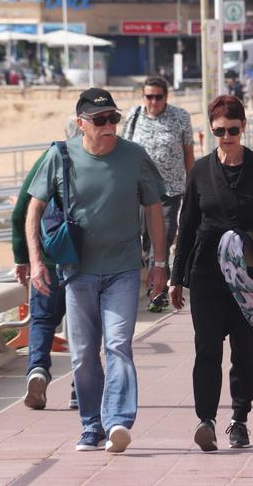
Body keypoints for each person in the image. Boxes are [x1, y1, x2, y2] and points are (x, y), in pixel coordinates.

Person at [26, 88, 167, 453]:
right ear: (81, 124)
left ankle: (117, 420)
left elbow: (153, 208)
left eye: (113, 119)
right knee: (83, 353)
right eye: (100, 120)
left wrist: (159, 264)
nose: (109, 126)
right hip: (77, 272)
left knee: (118, 345)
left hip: (122, 269)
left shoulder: (134, 156)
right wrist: (37, 262)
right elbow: (33, 209)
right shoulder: (61, 156)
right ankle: (91, 426)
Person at [169, 95, 253, 452]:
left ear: (243, 128)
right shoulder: (200, 172)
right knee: (207, 348)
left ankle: (239, 419)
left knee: (244, 352)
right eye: (220, 131)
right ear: (211, 131)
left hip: (249, 276)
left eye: (233, 130)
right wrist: (177, 278)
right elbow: (188, 225)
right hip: (208, 274)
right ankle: (206, 420)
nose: (226, 136)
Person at [12, 116, 82, 411]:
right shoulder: (105, 159)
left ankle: (38, 371)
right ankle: (80, 388)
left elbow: (21, 211)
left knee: (42, 319)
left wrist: (23, 258)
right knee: (87, 324)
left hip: (52, 255)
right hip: (89, 258)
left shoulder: (50, 157)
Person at [124, 76, 195, 312]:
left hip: (170, 191)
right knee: (144, 241)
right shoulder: (134, 115)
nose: (153, 101)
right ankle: (155, 282)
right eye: (149, 96)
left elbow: (188, 155)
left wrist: (193, 188)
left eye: (158, 96)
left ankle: (159, 293)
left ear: (167, 96)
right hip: (138, 191)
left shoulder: (181, 117)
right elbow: (123, 149)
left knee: (162, 238)